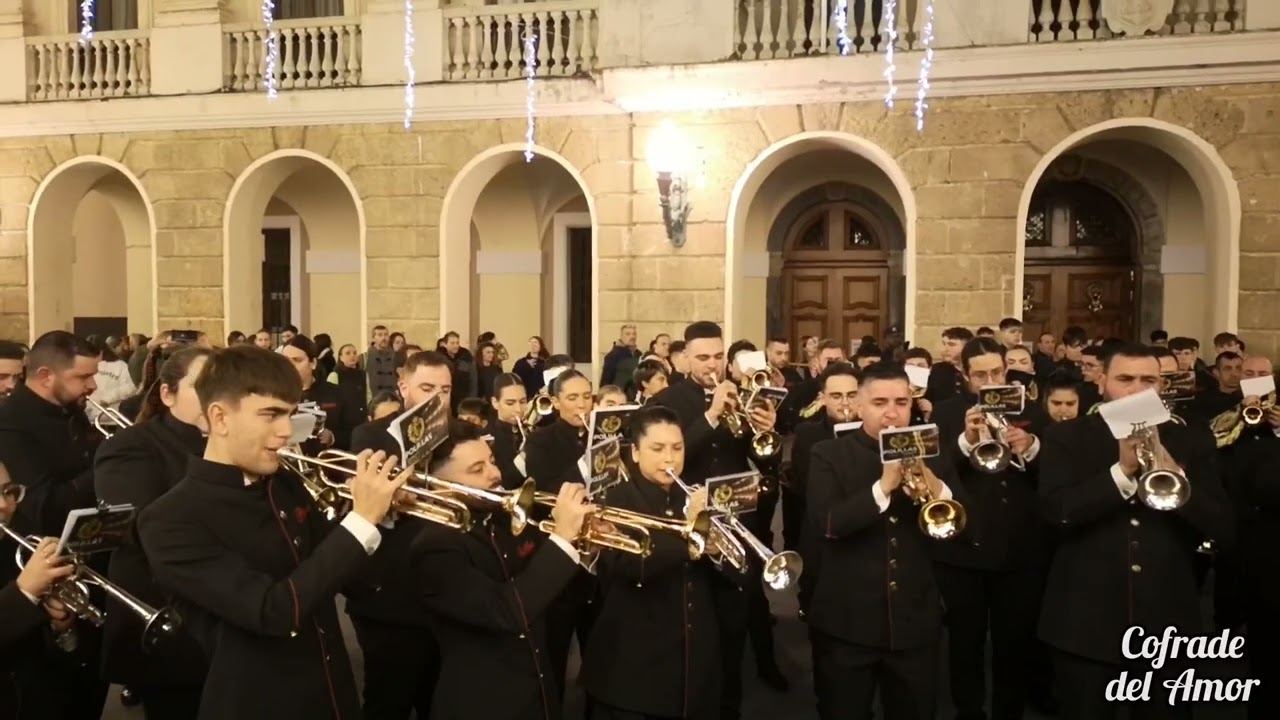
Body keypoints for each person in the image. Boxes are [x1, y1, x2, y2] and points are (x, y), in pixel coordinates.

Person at [137, 345, 409, 720]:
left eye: (290, 414)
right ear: (219, 418)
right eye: (270, 414)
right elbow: (273, 612)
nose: (286, 431)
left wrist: (386, 514)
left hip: (333, 695)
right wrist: (361, 521)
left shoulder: (283, 483)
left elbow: (350, 577)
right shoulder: (169, 520)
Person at [1038, 344, 1233, 720]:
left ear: (1162, 387)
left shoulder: (1191, 438)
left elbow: (1224, 527)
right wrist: (1121, 474)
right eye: (1125, 379)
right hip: (1084, 623)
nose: (1136, 389)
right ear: (1102, 384)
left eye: (1148, 380)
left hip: (1167, 622)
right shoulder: (1068, 438)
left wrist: (1177, 478)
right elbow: (1055, 512)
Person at [805, 362, 968, 720]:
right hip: (847, 623)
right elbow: (828, 523)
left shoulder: (933, 452)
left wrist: (930, 482)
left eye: (901, 402)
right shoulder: (828, 454)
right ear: (859, 407)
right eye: (880, 403)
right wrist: (883, 487)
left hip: (915, 622)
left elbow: (960, 525)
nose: (892, 412)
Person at [411, 419, 593, 720]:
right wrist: (562, 537)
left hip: (539, 696)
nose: (495, 473)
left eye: (491, 461)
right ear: (437, 483)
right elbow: (508, 611)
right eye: (477, 469)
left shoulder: (500, 518)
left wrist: (585, 541)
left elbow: (547, 581)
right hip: (484, 705)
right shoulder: (432, 548)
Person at [651, 321, 782, 719]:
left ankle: (730, 704)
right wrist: (709, 416)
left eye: (718, 357)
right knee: (687, 621)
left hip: (736, 520)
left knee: (733, 619)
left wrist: (767, 434)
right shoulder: (667, 401)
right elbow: (666, 461)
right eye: (703, 357)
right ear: (685, 358)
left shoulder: (744, 395)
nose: (712, 365)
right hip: (687, 521)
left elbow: (763, 459)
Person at [931, 337, 1052, 720]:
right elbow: (932, 476)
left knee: (1014, 644)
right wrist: (966, 442)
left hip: (1019, 549)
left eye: (996, 372)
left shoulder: (1033, 410)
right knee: (964, 643)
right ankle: (968, 711)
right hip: (963, 548)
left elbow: (1056, 478)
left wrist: (1030, 446)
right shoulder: (946, 414)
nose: (989, 381)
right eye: (980, 374)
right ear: (964, 376)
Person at [94, 346, 213, 720]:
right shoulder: (129, 447)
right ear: (167, 393)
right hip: (169, 625)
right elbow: (140, 527)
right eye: (204, 387)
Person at [583, 405, 721, 720]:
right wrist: (691, 535)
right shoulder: (614, 499)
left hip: (694, 662)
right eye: (657, 449)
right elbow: (630, 566)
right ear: (635, 453)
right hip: (633, 669)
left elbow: (733, 576)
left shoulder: (695, 494)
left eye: (677, 448)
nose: (670, 458)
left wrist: (716, 553)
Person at [0, 330, 106, 720]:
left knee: (85, 679)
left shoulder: (72, 412)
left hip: (85, 567)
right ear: (46, 376)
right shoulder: (10, 424)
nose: (93, 386)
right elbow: (41, 506)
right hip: (33, 564)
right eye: (83, 377)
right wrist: (106, 466)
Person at [345, 350, 453, 720]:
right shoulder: (371, 433)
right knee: (388, 698)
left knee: (438, 698)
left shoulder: (458, 435)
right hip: (390, 590)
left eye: (445, 389)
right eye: (427, 387)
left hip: (445, 586)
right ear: (404, 386)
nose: (437, 398)